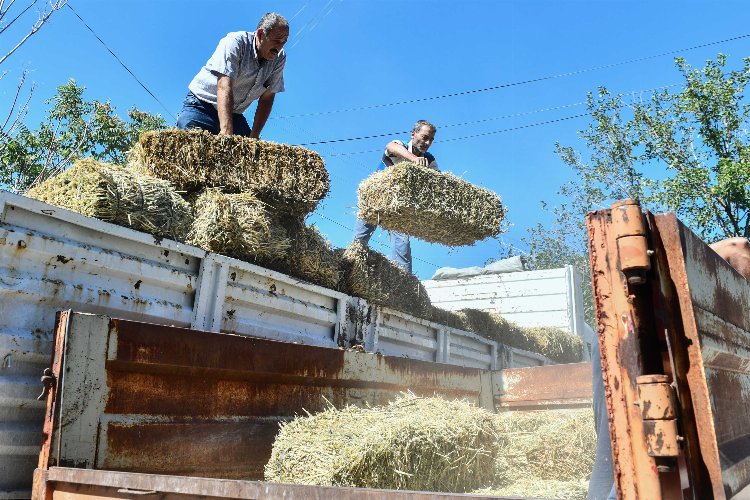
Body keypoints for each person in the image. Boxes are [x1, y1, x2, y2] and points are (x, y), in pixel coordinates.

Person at [588, 236, 750, 500]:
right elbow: (738, 247)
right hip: (638, 325)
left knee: (618, 444)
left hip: (636, 322)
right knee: (631, 444)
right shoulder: (737, 253)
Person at [176, 12, 289, 138]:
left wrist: (254, 136)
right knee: (190, 145)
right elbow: (224, 85)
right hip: (201, 106)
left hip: (234, 114)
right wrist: (226, 133)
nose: (279, 47)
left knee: (250, 154)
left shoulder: (279, 58)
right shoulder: (236, 42)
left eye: (284, 41)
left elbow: (267, 97)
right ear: (260, 34)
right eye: (276, 40)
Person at [353, 120, 438, 273]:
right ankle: (351, 266)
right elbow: (390, 146)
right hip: (375, 199)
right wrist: (414, 159)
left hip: (397, 208)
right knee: (360, 241)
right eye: (424, 137)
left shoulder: (430, 160)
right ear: (413, 134)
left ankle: (404, 285)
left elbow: (438, 182)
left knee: (402, 247)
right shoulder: (400, 145)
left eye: (431, 140)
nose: (427, 142)